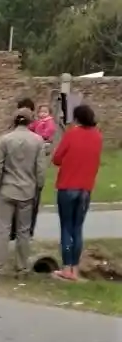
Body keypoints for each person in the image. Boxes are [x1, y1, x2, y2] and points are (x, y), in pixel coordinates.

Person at [0, 107, 48, 275]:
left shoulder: (4, 140)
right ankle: (22, 264)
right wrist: (39, 186)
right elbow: (41, 169)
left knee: (3, 228)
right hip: (27, 190)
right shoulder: (37, 141)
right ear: (30, 121)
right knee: (24, 229)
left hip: (7, 188)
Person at [51, 103, 103, 282]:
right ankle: (75, 269)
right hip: (85, 188)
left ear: (77, 118)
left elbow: (56, 158)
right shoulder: (97, 136)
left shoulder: (72, 133)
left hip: (67, 186)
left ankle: (66, 268)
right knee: (78, 228)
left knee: (66, 227)